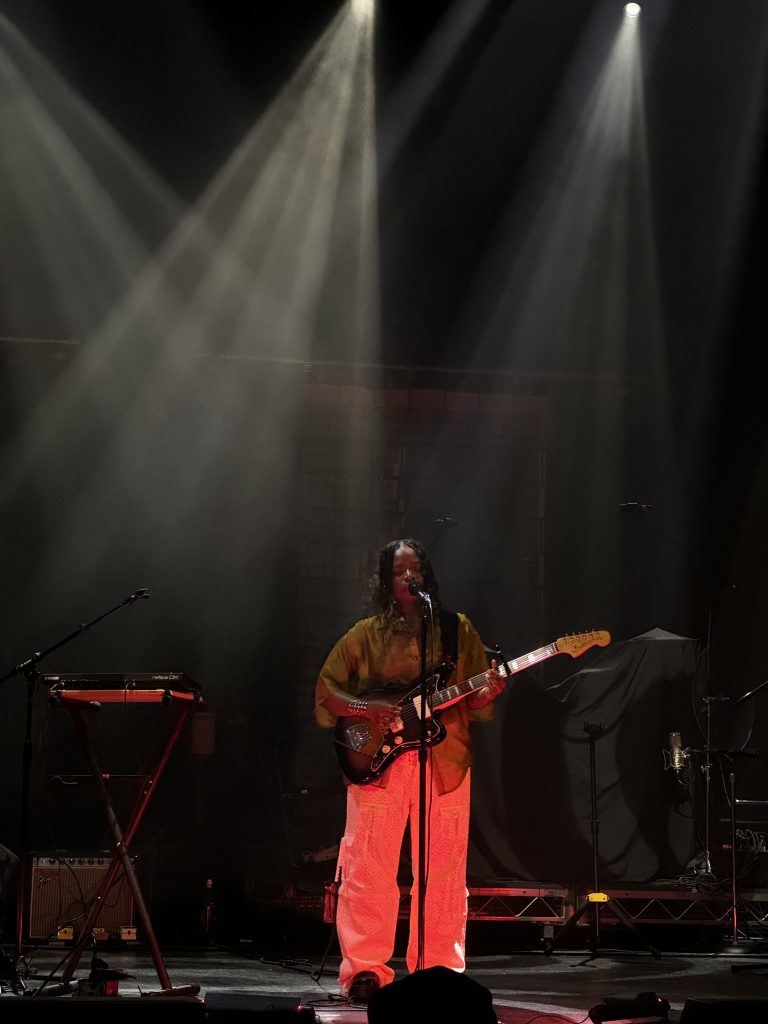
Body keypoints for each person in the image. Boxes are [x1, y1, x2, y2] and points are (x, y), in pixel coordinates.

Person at [314, 538, 506, 1004]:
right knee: (368, 868)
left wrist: (490, 689)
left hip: (444, 763)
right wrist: (369, 706)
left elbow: (477, 704)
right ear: (385, 579)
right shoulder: (363, 634)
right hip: (378, 766)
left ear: (427, 575)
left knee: (443, 873)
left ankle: (438, 971)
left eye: (414, 568)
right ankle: (364, 971)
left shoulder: (457, 630)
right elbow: (327, 693)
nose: (408, 576)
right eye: (398, 570)